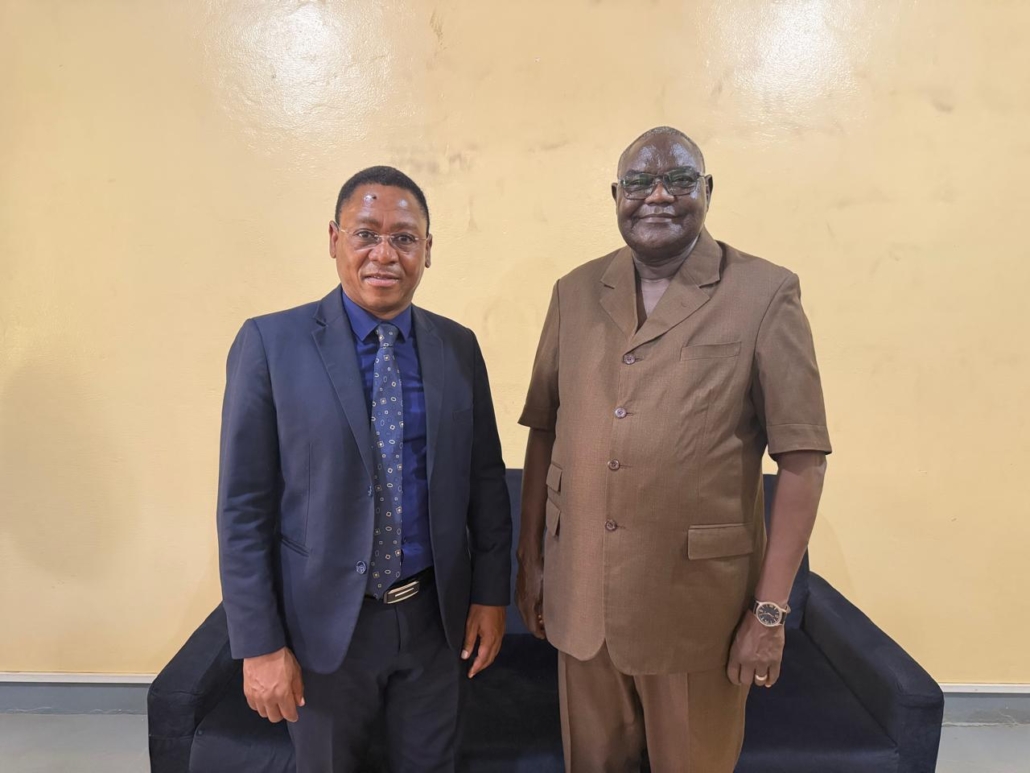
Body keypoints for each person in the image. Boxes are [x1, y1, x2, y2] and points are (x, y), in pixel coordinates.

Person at [516, 127, 831, 772]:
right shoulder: (574, 292)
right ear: (616, 195)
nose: (657, 195)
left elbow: (803, 458)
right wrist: (531, 561)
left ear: (707, 190)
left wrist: (770, 613)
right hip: (581, 603)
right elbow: (543, 430)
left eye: (678, 179)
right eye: (639, 182)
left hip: (697, 612)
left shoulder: (765, 293)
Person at [217, 166, 511, 772]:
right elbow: (242, 509)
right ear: (334, 239)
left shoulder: (458, 347)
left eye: (404, 238)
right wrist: (260, 645)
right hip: (321, 629)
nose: (384, 254)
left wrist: (490, 596)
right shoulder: (271, 344)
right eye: (366, 234)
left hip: (434, 622)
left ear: (428, 249)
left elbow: (485, 482)